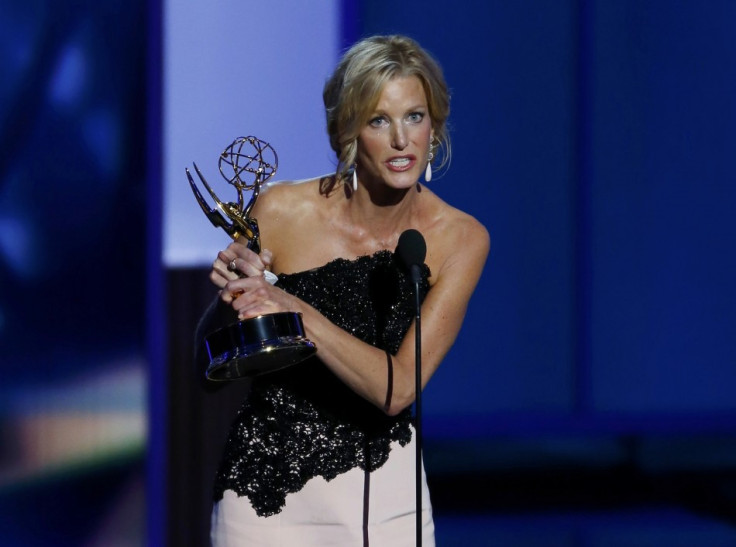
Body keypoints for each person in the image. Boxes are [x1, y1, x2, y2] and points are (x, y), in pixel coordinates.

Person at [201, 34, 489, 546]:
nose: (402, 140)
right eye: (380, 120)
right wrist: (235, 297)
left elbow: (399, 390)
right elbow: (207, 364)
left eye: (415, 116)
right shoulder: (280, 212)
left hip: (387, 507)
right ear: (349, 129)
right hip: (265, 500)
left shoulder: (459, 238)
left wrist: (293, 308)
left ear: (435, 124)